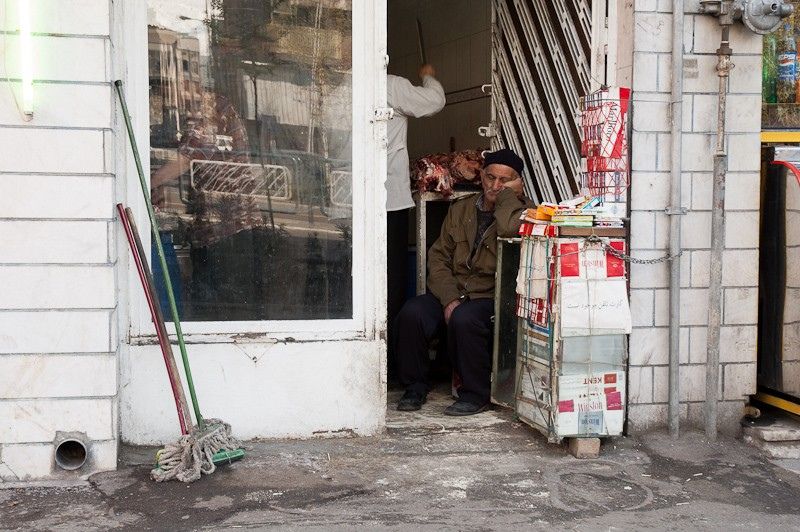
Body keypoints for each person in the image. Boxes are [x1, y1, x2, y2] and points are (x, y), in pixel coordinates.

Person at [394, 148, 533, 416]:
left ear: (518, 183)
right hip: (455, 289)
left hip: (489, 296)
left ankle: (475, 393)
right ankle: (415, 386)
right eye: (490, 177)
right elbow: (438, 258)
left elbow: (506, 228)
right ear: (480, 176)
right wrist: (449, 298)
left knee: (465, 319)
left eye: (504, 181)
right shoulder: (461, 209)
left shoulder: (525, 214)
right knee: (413, 313)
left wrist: (506, 198)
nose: (495, 185)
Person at [386, 64, 446, 370]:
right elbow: (433, 101)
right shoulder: (391, 85)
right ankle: (392, 365)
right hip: (388, 203)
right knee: (390, 285)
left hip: (347, 200)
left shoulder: (336, 89)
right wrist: (427, 74)